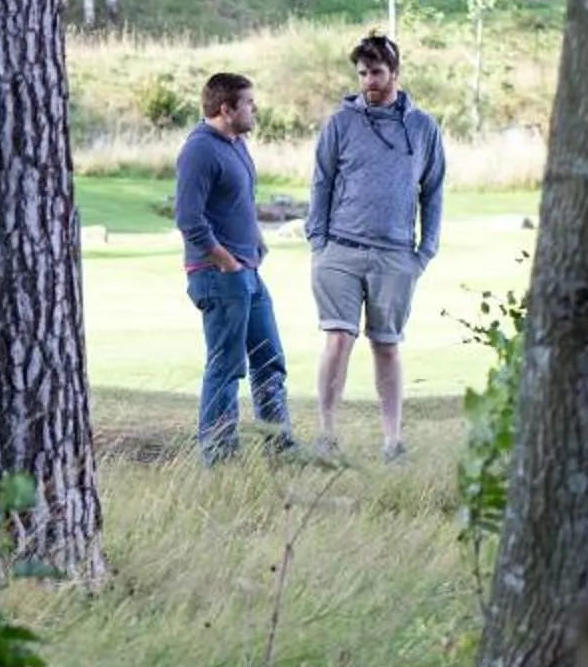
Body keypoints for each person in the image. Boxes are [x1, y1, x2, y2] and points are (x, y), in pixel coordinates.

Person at [306, 33, 447, 461]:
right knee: (337, 340)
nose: (369, 81)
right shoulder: (341, 123)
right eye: (363, 73)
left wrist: (424, 252)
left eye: (377, 72)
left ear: (395, 73)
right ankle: (327, 434)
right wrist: (318, 243)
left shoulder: (423, 128)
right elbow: (321, 182)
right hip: (340, 251)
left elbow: (434, 191)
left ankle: (392, 441)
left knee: (386, 345)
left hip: (395, 255)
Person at [175, 71, 293, 463]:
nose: (254, 109)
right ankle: (220, 457)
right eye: (248, 103)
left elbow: (238, 202)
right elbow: (189, 219)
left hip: (249, 273)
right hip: (219, 276)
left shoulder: (236, 144)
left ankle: (281, 449)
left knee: (270, 360)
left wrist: (255, 244)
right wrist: (225, 260)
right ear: (226, 109)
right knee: (227, 369)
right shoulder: (199, 150)